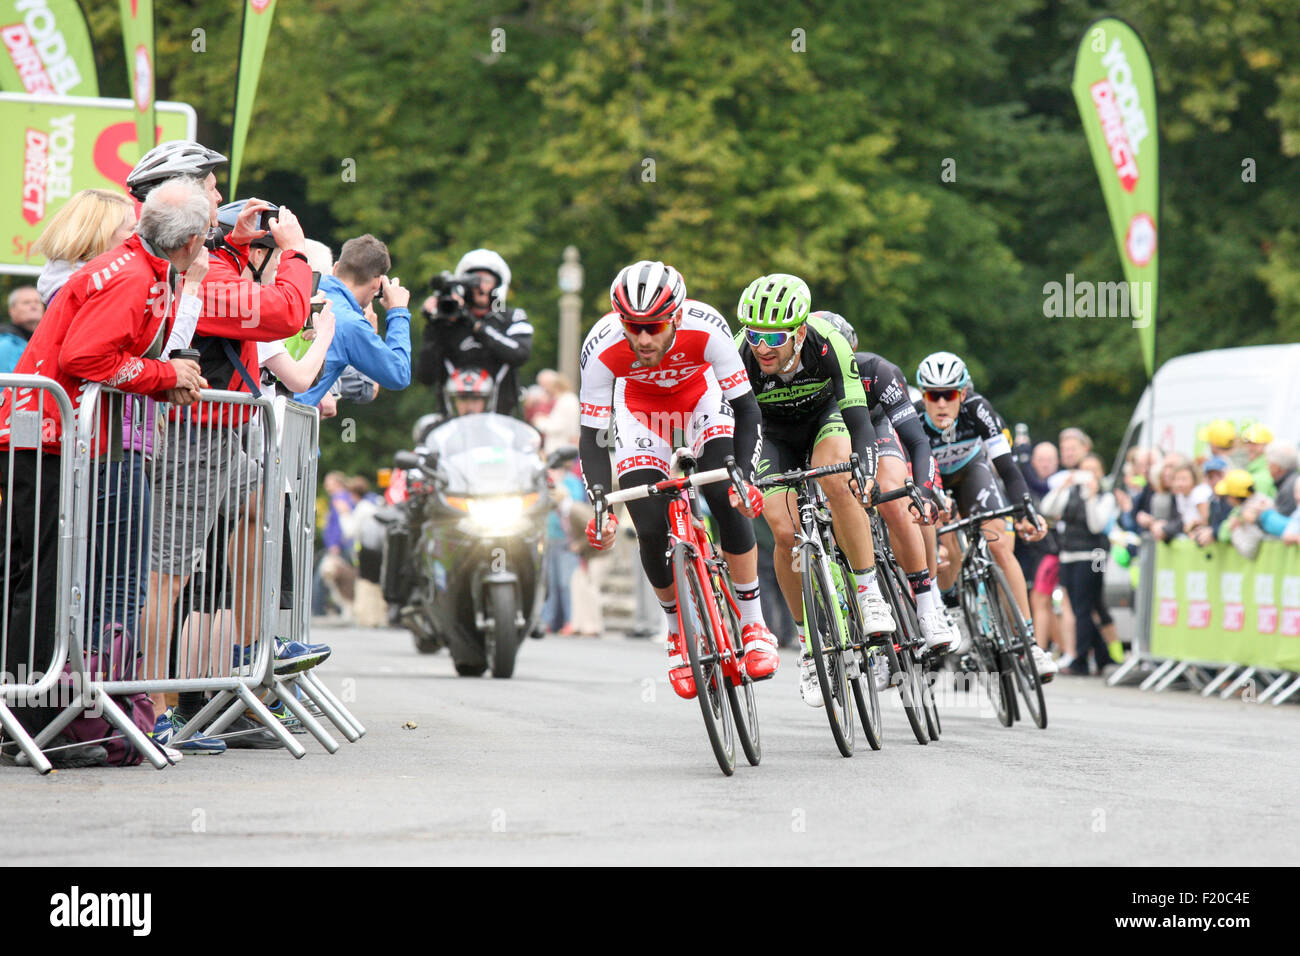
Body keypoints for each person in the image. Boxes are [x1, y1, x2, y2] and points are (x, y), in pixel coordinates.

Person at [0, 177, 210, 744]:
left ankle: (29, 713)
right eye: (207, 232)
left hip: (46, 432)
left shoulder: (137, 266)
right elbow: (88, 356)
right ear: (189, 241)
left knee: (35, 578)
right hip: (44, 435)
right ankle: (29, 717)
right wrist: (165, 375)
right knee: (41, 582)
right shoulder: (133, 275)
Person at [578, 260, 778, 699]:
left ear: (676, 316)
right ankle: (676, 633)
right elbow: (592, 438)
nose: (643, 338)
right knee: (649, 528)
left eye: (653, 326)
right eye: (633, 326)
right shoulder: (602, 345)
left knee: (725, 497)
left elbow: (747, 410)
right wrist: (600, 505)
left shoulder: (708, 329)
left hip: (701, 403)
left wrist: (742, 477)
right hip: (641, 417)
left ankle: (753, 624)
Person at [733, 280, 905, 707]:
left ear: (800, 332)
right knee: (784, 529)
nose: (762, 347)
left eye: (773, 337)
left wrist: (863, 467)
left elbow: (859, 419)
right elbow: (731, 423)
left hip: (825, 420)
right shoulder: (739, 354)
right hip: (772, 435)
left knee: (837, 480)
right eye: (754, 335)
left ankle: (868, 592)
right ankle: (810, 647)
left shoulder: (827, 344)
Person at [915, 351, 1058, 680]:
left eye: (948, 394)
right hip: (934, 481)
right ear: (923, 395)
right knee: (947, 544)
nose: (940, 403)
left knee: (999, 546)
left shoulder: (978, 409)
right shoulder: (914, 417)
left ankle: (1030, 644)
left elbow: (1007, 468)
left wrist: (1025, 508)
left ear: (962, 393)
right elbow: (916, 472)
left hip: (972, 475)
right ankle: (956, 617)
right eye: (932, 395)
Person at [293, 234, 412, 407]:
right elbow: (398, 375)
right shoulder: (350, 323)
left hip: (260, 412)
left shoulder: (305, 293)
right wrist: (398, 312)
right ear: (377, 283)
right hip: (284, 424)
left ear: (336, 268)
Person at [416, 249, 532, 416]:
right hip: (453, 426)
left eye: (486, 280)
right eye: (473, 281)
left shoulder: (512, 318)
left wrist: (474, 324)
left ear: (498, 285)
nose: (479, 286)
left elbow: (520, 353)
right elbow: (425, 377)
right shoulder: (449, 322)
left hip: (502, 427)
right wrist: (433, 325)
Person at [1040, 454, 1116, 675]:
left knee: (1086, 606)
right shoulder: (1071, 492)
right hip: (1069, 554)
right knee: (1076, 607)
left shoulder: (1105, 497)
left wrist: (1091, 497)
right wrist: (1062, 488)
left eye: (1093, 470)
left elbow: (1096, 526)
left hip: (1094, 556)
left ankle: (1080, 659)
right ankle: (1103, 656)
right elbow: (1048, 509)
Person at [0, 286, 44, 372]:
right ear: (12, 310)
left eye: (37, 302)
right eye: (26, 302)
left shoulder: (47, 340)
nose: (33, 306)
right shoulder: (6, 344)